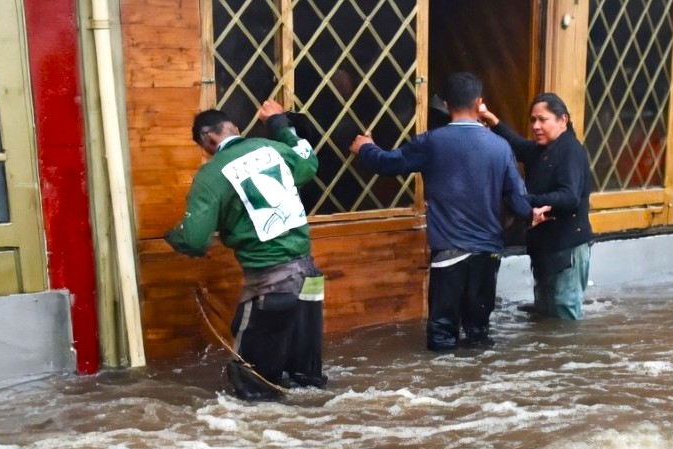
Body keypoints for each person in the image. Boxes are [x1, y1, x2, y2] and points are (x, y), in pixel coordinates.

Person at [349, 72, 546, 351]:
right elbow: (517, 199)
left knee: (442, 333)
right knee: (479, 331)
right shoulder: (500, 147)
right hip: (487, 253)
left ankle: (443, 389)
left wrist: (366, 148)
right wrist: (532, 214)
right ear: (480, 103)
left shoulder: (431, 142)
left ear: (443, 103)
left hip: (449, 254)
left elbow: (389, 164)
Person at [164, 100, 326, 400]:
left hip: (271, 284)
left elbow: (195, 239)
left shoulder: (211, 175)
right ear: (235, 129)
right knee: (308, 381)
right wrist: (279, 123)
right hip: (311, 276)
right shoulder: (271, 148)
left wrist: (171, 236)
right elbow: (308, 163)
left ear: (208, 140)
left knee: (252, 385)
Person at [480, 93, 594, 320]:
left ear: (563, 120)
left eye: (543, 120)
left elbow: (569, 196)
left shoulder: (569, 149)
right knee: (545, 314)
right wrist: (493, 122)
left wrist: (526, 201)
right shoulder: (542, 149)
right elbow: (519, 145)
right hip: (546, 247)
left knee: (564, 314)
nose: (536, 126)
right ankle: (551, 357)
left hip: (567, 247)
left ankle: (570, 356)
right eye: (533, 120)